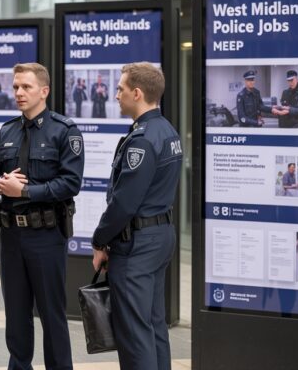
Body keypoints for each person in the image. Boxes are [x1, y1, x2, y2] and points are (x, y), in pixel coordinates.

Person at [0, 62, 84, 370]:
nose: (18, 93)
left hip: (46, 235)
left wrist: (25, 192)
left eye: (25, 87)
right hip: (11, 235)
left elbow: (71, 183)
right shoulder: (7, 131)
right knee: (16, 314)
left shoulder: (63, 131)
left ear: (44, 90)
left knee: (52, 314)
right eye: (15, 87)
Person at [91, 62, 182, 370]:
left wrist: (100, 240)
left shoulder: (142, 139)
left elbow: (124, 203)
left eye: (121, 89)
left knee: (134, 332)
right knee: (154, 326)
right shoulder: (167, 131)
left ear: (138, 93)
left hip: (138, 244)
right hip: (159, 236)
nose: (116, 95)